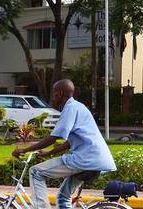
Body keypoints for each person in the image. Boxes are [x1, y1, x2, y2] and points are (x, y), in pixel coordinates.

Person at [12, 79, 116, 209]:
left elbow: (53, 138)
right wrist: (49, 153)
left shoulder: (70, 108)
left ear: (60, 94)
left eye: (54, 94)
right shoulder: (79, 107)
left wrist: (24, 150)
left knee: (35, 172)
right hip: (96, 160)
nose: (53, 97)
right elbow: (69, 142)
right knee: (62, 197)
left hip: (85, 159)